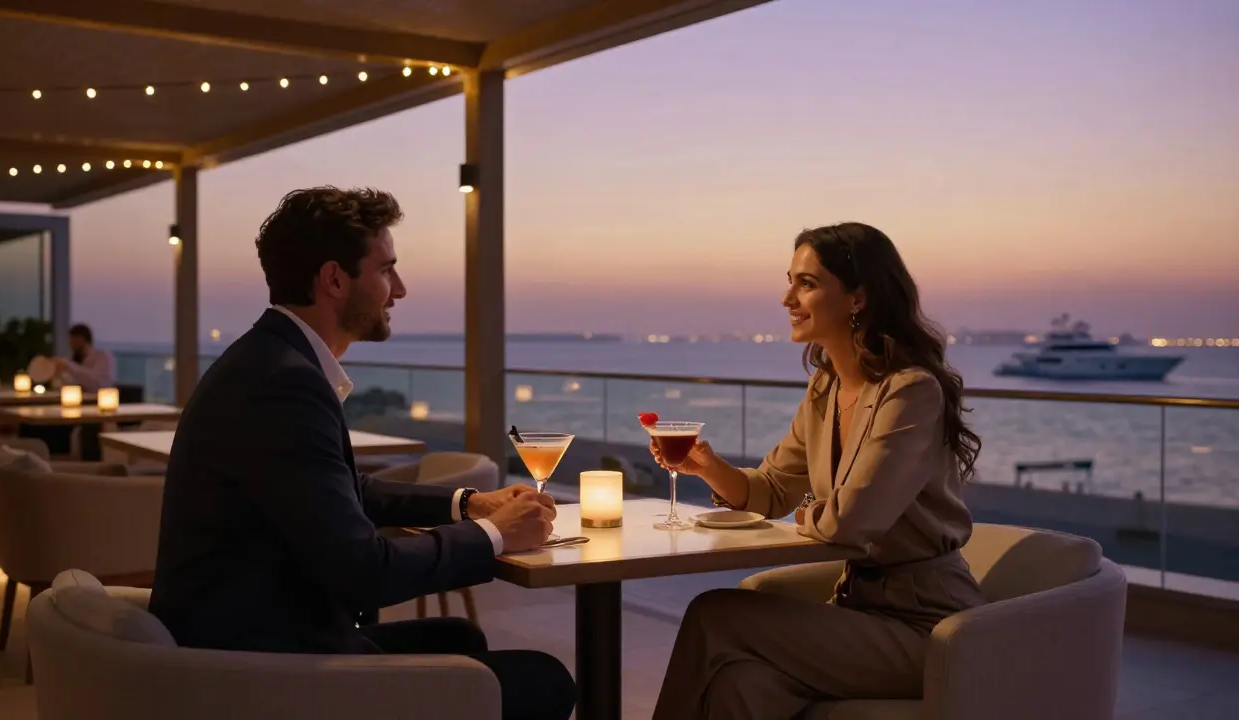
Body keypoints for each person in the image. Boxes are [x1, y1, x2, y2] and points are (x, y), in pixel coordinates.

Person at [148, 186, 576, 720]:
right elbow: (363, 572)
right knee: (546, 679)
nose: (399, 289)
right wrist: (495, 536)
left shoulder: (269, 360)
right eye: (386, 270)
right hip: (262, 674)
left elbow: (345, 492)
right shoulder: (283, 385)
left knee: (458, 634)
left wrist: (470, 505)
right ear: (334, 279)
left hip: (254, 637)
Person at [650, 223, 986, 719]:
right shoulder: (826, 388)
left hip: (928, 627)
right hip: (857, 610)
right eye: (790, 281)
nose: (787, 297)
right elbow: (771, 490)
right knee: (741, 684)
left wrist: (814, 510)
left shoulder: (911, 391)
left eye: (806, 283)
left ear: (857, 297)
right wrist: (709, 467)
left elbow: (851, 521)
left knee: (713, 614)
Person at [53, 323, 115, 391]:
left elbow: (96, 382)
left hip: (99, 399)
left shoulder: (102, 357)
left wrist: (69, 366)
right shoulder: (70, 360)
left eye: (75, 339)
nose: (71, 343)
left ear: (85, 340)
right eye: (71, 339)